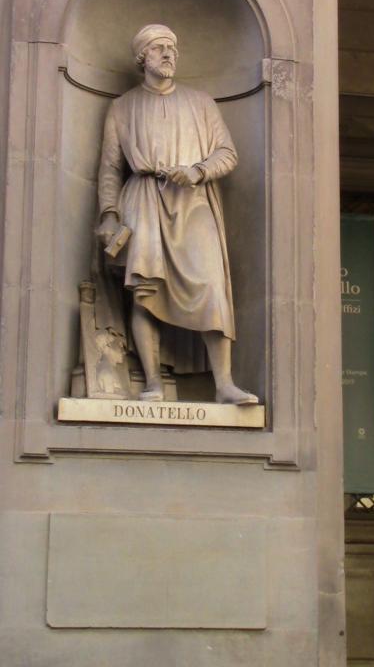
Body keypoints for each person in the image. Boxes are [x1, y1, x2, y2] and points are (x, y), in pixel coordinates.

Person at [97, 23, 257, 405]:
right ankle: (153, 383)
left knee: (211, 285)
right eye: (159, 48)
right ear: (143, 58)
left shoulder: (201, 103)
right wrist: (109, 213)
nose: (169, 53)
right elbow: (110, 168)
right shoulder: (122, 107)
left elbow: (227, 153)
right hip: (144, 199)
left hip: (193, 201)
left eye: (172, 47)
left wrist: (198, 170)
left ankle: (224, 385)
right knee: (145, 290)